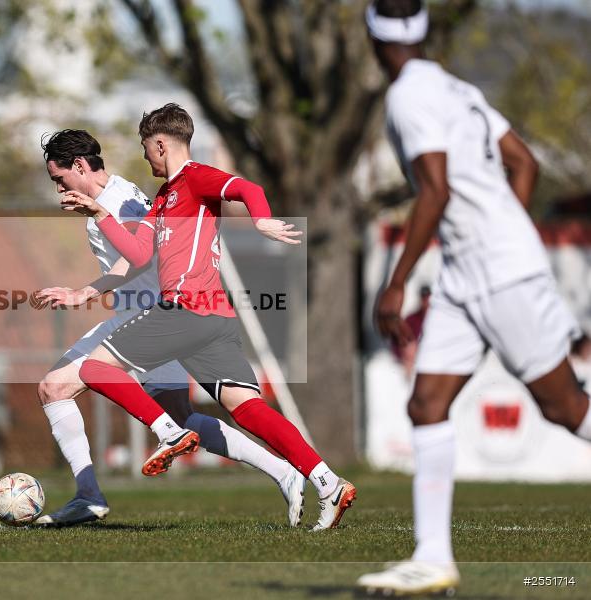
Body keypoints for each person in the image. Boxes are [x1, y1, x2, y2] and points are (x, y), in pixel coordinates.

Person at [358, 0, 591, 594]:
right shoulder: (455, 88)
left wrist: (397, 279)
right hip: (468, 273)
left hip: (503, 271)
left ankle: (432, 556)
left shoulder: (409, 95)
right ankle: (432, 558)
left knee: (566, 409)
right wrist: (493, 225)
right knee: (426, 405)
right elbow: (524, 162)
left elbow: (434, 188)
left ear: (372, 37)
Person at [58, 104, 357, 531]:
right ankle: (329, 483)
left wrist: (263, 218)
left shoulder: (195, 177)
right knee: (247, 409)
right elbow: (140, 255)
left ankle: (171, 435)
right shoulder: (163, 198)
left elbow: (245, 187)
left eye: (146, 149)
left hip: (185, 309)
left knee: (90, 367)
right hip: (215, 319)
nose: (146, 158)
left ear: (161, 143)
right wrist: (102, 215)